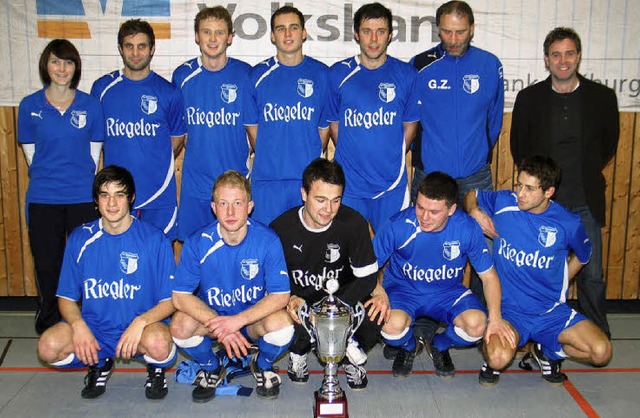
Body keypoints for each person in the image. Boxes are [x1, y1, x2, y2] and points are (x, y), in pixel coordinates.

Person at [464, 155, 612, 386]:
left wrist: (563, 281)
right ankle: (494, 359)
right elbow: (471, 194)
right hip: (511, 311)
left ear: (549, 192)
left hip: (551, 312)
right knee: (497, 358)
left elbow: (583, 255)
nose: (521, 193)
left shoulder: (568, 223)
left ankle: (547, 352)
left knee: (601, 352)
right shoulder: (504, 202)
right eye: (519, 184)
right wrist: (474, 210)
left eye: (530, 189)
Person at [510, 27, 619, 338]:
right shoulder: (529, 98)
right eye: (556, 54)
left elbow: (609, 144)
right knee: (538, 271)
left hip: (585, 200)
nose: (563, 60)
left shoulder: (602, 97)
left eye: (569, 53)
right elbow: (519, 146)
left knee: (592, 274)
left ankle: (596, 333)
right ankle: (536, 336)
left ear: (579, 56)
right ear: (546, 59)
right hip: (544, 204)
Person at [36, 166, 177, 400]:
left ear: (131, 199)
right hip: (96, 329)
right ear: (96, 200)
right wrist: (78, 325)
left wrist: (140, 322)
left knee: (160, 344)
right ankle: (100, 363)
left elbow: (170, 301)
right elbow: (67, 298)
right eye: (105, 195)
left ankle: (156, 368)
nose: (112, 203)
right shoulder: (80, 239)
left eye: (119, 195)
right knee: (48, 347)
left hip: (141, 329)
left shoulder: (154, 240)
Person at [372, 171, 514, 379]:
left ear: (451, 209)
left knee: (477, 324)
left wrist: (496, 318)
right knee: (389, 324)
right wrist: (378, 291)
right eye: (420, 207)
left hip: (447, 293)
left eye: (434, 211)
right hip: (404, 291)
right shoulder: (398, 225)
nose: (424, 217)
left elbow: (489, 276)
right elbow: (366, 266)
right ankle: (409, 345)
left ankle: (439, 345)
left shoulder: (466, 228)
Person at [170, 171, 294, 403]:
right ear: (213, 207)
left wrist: (237, 322)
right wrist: (221, 326)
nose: (230, 211)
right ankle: (212, 367)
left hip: (251, 322)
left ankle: (263, 365)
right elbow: (180, 297)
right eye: (223, 203)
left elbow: (281, 295)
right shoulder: (198, 242)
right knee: (179, 325)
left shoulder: (267, 240)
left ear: (250, 206)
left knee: (283, 325)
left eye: (237, 203)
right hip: (214, 321)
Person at [18, 39, 104, 334]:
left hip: (82, 198)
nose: (62, 68)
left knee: (86, 264)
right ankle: (51, 324)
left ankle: (88, 323)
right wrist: (53, 179)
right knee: (48, 264)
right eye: (56, 61)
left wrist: (80, 182)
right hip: (43, 198)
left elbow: (94, 155)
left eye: (68, 62)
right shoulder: (30, 106)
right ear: (46, 65)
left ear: (75, 67)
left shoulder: (91, 105)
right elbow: (31, 156)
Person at [270, 158, 380, 390]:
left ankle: (350, 356)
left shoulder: (354, 222)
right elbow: (270, 283)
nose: (328, 209)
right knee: (283, 320)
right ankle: (298, 352)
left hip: (341, 301)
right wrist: (290, 300)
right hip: (300, 303)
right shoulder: (280, 229)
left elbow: (368, 277)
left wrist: (334, 309)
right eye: (320, 200)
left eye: (335, 200)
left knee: (374, 313)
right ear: (304, 194)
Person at [91, 19, 187, 241]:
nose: (135, 53)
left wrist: (155, 159)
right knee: (121, 260)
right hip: (118, 196)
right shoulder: (102, 89)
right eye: (129, 46)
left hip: (159, 194)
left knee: (159, 259)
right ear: (120, 48)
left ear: (152, 49)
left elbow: (178, 137)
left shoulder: (168, 92)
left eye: (142, 46)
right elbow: (94, 140)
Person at [327, 2, 419, 232]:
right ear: (357, 34)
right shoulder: (338, 73)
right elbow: (334, 125)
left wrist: (392, 155)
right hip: (350, 187)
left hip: (391, 186)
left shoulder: (407, 75)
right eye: (367, 31)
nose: (374, 39)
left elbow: (410, 125)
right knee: (346, 257)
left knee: (392, 256)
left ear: (390, 35)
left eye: (381, 31)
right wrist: (353, 156)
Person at [172, 6, 257, 241]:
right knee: (194, 252)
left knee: (236, 252)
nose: (212, 39)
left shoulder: (245, 75)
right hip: (196, 186)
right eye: (206, 32)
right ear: (197, 36)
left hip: (235, 187)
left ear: (230, 37)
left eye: (219, 32)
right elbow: (179, 133)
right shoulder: (182, 77)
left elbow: (254, 134)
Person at [248, 5, 330, 225]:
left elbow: (323, 130)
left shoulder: (322, 74)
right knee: (266, 246)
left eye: (293, 28)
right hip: (267, 181)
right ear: (272, 36)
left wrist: (305, 158)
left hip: (306, 181)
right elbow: (253, 131)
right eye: (280, 29)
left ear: (303, 33)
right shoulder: (257, 76)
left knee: (303, 250)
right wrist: (271, 156)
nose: (287, 34)